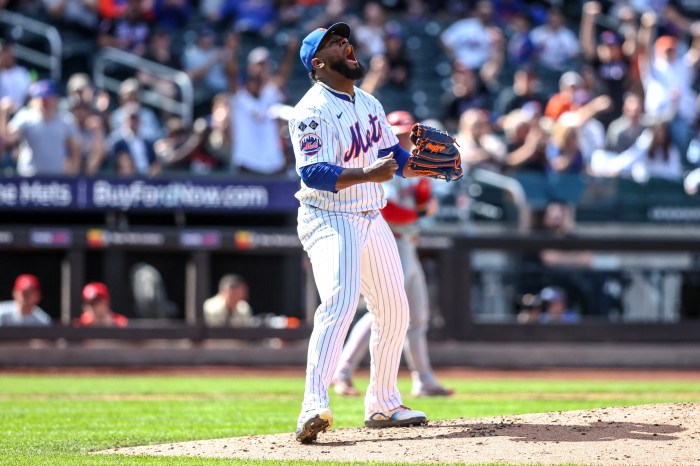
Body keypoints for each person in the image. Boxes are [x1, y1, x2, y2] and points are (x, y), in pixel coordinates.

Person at [290, 22, 438, 444]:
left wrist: (429, 167)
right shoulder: (310, 110)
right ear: (318, 64)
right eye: (336, 43)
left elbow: (395, 158)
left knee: (395, 309)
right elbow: (314, 173)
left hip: (370, 216)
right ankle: (312, 406)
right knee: (339, 302)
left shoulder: (370, 102)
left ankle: (384, 403)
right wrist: (368, 173)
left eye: (345, 39)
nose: (346, 44)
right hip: (328, 216)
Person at [331, 110, 454, 398]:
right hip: (386, 241)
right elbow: (391, 209)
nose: (403, 139)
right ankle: (344, 371)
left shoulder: (411, 167)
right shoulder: (381, 165)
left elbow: (426, 202)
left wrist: (427, 187)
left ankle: (423, 379)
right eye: (398, 133)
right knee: (380, 311)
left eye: (406, 134)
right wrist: (421, 209)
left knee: (418, 316)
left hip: (408, 243)